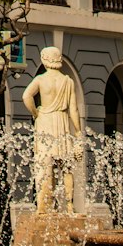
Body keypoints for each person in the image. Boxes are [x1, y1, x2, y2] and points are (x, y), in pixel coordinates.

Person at [21, 45, 81, 211]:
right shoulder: (68, 81)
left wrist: (35, 113)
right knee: (66, 167)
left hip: (45, 121)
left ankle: (43, 206)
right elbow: (74, 110)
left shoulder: (41, 80)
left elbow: (26, 96)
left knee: (44, 165)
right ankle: (69, 204)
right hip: (62, 123)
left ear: (44, 60)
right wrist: (78, 131)